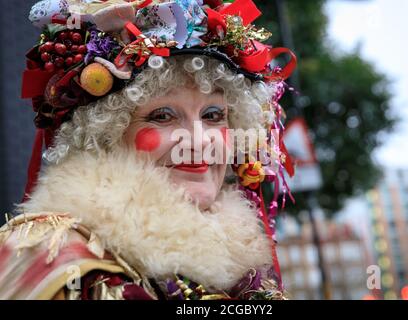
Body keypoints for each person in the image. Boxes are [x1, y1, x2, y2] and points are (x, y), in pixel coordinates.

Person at [0, 0, 297, 300]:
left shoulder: (247, 271)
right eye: (163, 116)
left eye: (212, 116)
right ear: (106, 135)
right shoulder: (59, 261)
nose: (199, 141)